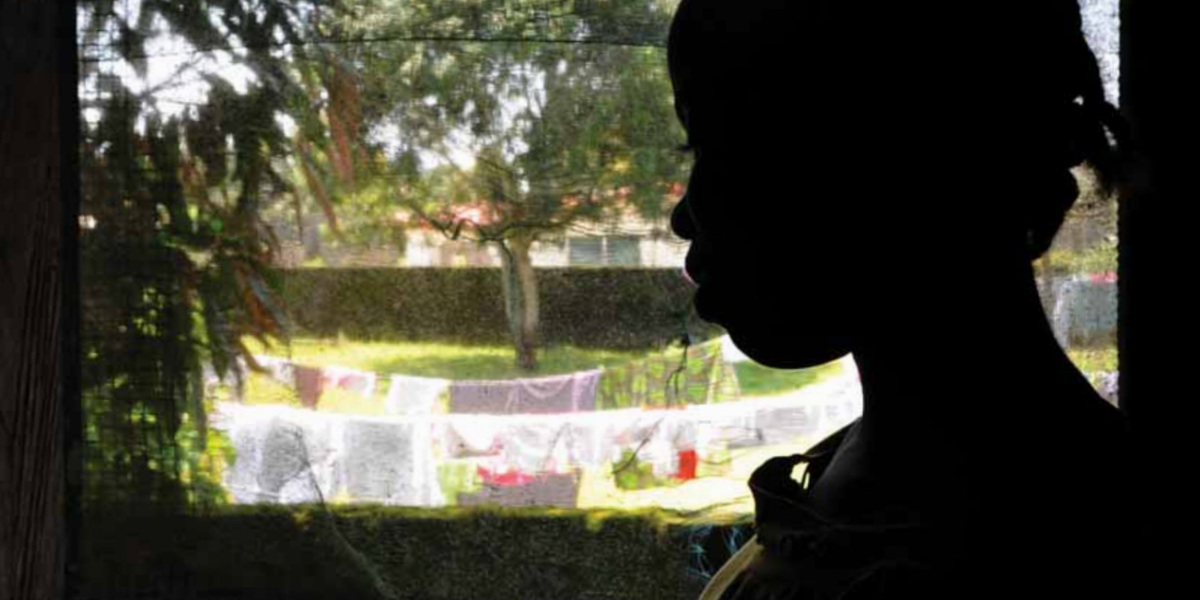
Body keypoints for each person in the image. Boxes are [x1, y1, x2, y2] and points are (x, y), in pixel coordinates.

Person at [666, 1, 1140, 597]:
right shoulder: (854, 492)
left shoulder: (1041, 554)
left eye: (727, 148)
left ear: (901, 152)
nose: (686, 214)